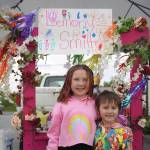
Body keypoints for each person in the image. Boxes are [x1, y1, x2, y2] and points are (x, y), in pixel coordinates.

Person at [47, 64, 97, 150]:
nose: (81, 83)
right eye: (76, 79)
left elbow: (106, 123)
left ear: (91, 82)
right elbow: (54, 133)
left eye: (85, 79)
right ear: (69, 81)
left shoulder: (95, 104)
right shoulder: (61, 105)